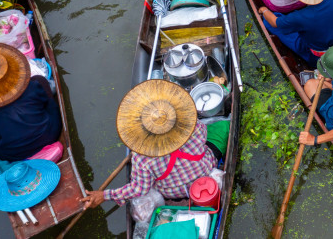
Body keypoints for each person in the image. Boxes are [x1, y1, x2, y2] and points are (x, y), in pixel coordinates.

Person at [81, 79, 230, 208]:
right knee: (221, 128)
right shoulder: (192, 127)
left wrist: (105, 195)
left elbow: (139, 189)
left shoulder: (141, 159)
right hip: (206, 171)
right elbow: (203, 132)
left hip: (174, 193)